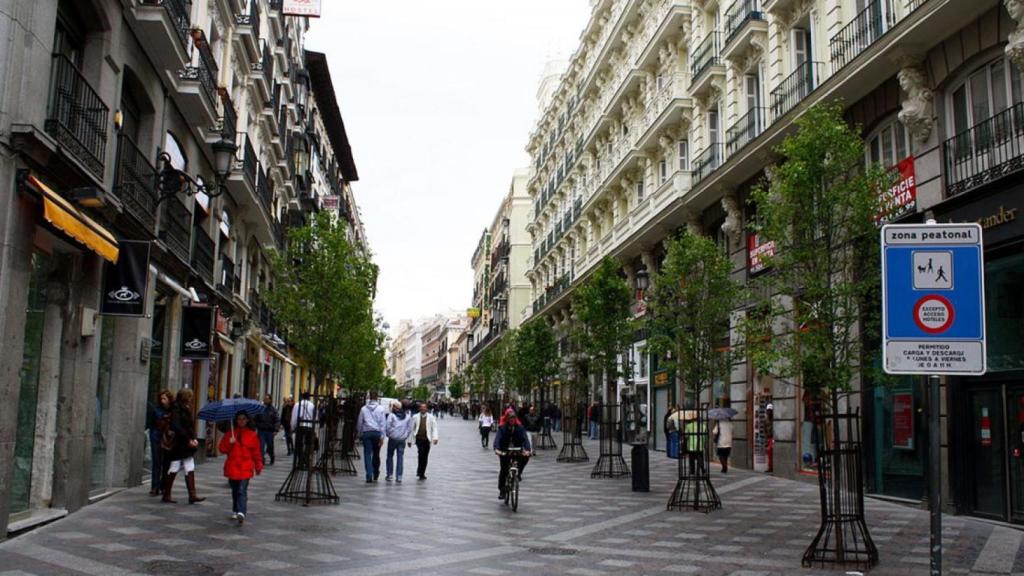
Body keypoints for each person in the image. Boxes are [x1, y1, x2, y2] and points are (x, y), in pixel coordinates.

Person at [219, 411, 263, 524]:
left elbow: (256, 452)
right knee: (235, 490)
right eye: (239, 419)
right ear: (236, 420)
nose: (241, 421)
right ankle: (235, 509)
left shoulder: (252, 434)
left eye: (243, 419)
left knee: (242, 490)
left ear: (247, 420)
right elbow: (222, 449)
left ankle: (241, 512)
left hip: (245, 466)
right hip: (233, 466)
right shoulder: (230, 433)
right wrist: (230, 443)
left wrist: (258, 465)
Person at [163, 389, 205, 504]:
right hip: (180, 443)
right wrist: (189, 440)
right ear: (186, 397)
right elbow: (177, 427)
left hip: (185, 442)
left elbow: (188, 427)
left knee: (188, 465)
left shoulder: (184, 408)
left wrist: (193, 438)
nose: (191, 399)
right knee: (175, 465)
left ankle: (192, 495)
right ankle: (167, 494)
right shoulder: (177, 408)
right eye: (190, 397)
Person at [493, 409, 532, 500]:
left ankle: (518, 473)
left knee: (525, 458)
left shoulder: (520, 428)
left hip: (517, 450)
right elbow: (497, 440)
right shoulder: (502, 428)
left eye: (513, 418)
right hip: (505, 451)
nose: (512, 420)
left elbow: (525, 440)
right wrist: (497, 449)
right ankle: (502, 490)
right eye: (510, 418)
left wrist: (527, 450)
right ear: (507, 418)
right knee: (504, 469)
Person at [146, 389, 173, 496]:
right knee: (156, 462)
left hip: (168, 439)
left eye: (164, 399)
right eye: (161, 398)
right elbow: (151, 424)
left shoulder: (172, 411)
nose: (162, 401)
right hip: (156, 437)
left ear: (169, 399)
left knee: (166, 463)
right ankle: (155, 487)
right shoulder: (156, 410)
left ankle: (163, 486)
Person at [356, 391, 388, 483]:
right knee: (376, 454)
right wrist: (382, 436)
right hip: (377, 433)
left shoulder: (363, 409)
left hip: (367, 433)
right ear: (377, 397)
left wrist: (359, 433)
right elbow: (383, 424)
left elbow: (360, 422)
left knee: (367, 454)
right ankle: (376, 473)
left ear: (369, 397)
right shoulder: (381, 409)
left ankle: (369, 474)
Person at [407, 401, 439, 480]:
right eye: (422, 407)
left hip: (427, 439)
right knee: (421, 453)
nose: (423, 409)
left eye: (424, 407)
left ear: (427, 409)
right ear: (419, 409)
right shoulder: (415, 417)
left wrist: (435, 437)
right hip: (419, 439)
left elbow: (434, 428)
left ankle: (422, 473)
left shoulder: (431, 417)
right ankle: (419, 471)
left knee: (425, 456)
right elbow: (411, 429)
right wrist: (409, 440)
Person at [384, 401, 412, 482]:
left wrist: (390, 434)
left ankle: (390, 474)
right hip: (401, 440)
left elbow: (387, 426)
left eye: (393, 406)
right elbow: (409, 428)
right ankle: (399, 476)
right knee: (400, 457)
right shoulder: (407, 416)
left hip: (393, 439)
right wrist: (405, 435)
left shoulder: (391, 415)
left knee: (390, 456)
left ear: (396, 407)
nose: (392, 408)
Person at [291, 392, 317, 467]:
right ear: (309, 397)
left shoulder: (297, 404)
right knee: (308, 443)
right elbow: (315, 416)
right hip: (309, 426)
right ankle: (306, 458)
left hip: (300, 426)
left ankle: (300, 460)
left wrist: (293, 426)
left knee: (299, 444)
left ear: (302, 396)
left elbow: (294, 416)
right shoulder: (312, 405)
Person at [254, 394, 280, 466]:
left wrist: (276, 430)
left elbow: (277, 420)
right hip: (261, 430)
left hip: (270, 431)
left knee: (270, 446)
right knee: (261, 446)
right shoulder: (260, 409)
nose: (265, 400)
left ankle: (272, 456)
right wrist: (256, 426)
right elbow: (255, 419)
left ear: (270, 400)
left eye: (267, 399)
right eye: (264, 399)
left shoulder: (273, 410)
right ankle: (262, 460)